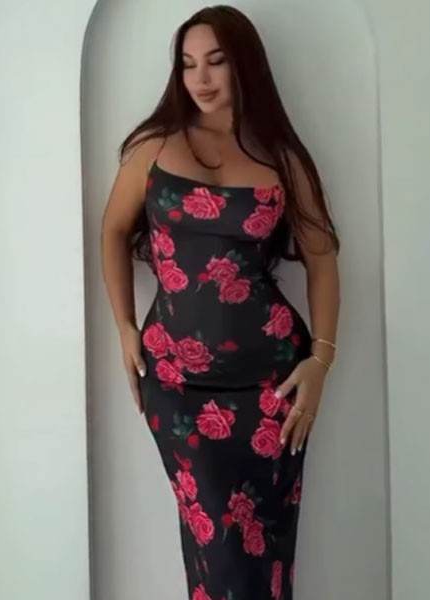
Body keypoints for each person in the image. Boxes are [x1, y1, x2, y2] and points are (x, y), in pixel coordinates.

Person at [101, 5, 340, 599]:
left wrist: (321, 360)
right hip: (175, 384)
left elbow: (322, 257)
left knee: (264, 554)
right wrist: (125, 327)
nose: (200, 78)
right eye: (187, 64)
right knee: (219, 547)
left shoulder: (281, 158)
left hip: (272, 387)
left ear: (244, 66)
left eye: (215, 61)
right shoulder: (154, 149)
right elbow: (112, 230)